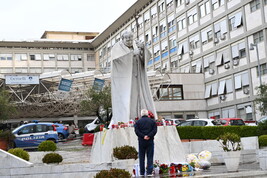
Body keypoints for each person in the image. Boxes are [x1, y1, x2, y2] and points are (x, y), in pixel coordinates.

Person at [110, 31, 157, 125]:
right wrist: (132, 54)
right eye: (126, 38)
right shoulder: (117, 48)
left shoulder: (136, 45)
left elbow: (145, 59)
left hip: (138, 78)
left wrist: (143, 49)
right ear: (122, 39)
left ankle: (140, 116)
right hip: (126, 81)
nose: (129, 40)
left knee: (140, 97)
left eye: (130, 38)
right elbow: (117, 61)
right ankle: (127, 120)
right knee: (129, 98)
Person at [134, 109, 157, 176]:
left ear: (141, 114)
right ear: (148, 114)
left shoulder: (138, 122)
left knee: (141, 157)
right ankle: (149, 172)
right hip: (150, 140)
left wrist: (143, 136)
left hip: (141, 141)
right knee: (150, 156)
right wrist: (149, 136)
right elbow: (154, 130)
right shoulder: (152, 122)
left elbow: (136, 131)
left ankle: (142, 172)